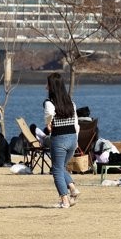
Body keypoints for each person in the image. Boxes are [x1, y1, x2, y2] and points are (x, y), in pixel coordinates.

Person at [44, 73, 81, 208]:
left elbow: (49, 114)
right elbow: (76, 123)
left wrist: (48, 123)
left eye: (47, 84)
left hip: (59, 139)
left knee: (56, 170)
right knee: (60, 167)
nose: (45, 87)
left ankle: (65, 200)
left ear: (52, 86)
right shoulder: (71, 103)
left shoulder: (49, 103)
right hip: (72, 138)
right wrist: (76, 140)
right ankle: (72, 188)